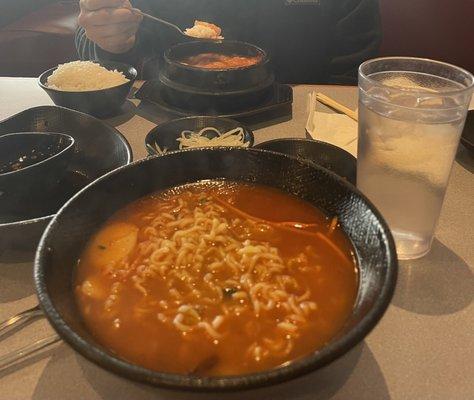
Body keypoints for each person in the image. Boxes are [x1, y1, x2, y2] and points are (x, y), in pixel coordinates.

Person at [76, 0, 381, 84]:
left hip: (295, 129)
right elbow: (91, 40)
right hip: (168, 121)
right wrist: (111, 41)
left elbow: (349, 80)